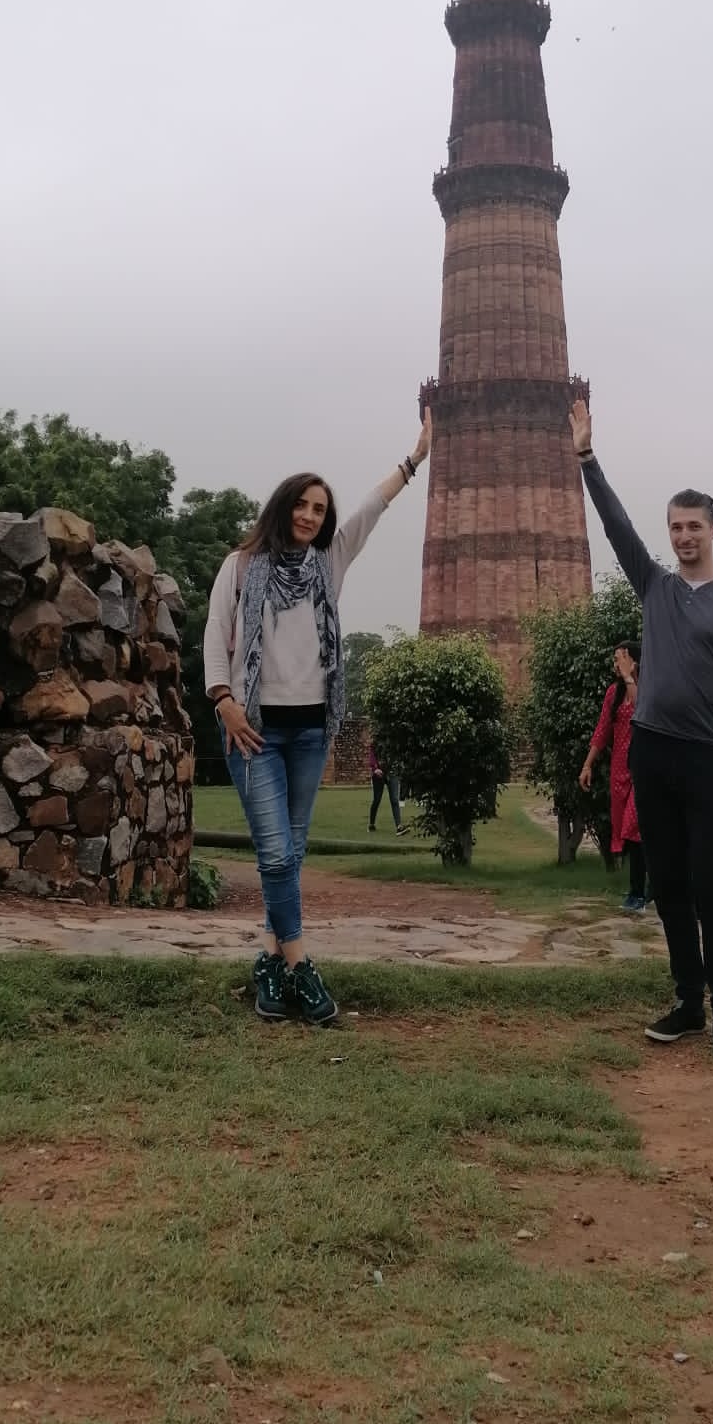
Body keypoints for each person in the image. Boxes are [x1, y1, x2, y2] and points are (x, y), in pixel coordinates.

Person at [203, 412, 433, 1026]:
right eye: (302, 505)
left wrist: (413, 462)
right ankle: (303, 967)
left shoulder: (329, 562)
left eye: (318, 509)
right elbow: (213, 635)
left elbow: (369, 511)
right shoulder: (241, 566)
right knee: (276, 854)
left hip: (309, 731)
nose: (310, 516)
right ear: (283, 508)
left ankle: (269, 967)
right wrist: (223, 699)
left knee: (292, 851)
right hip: (252, 730)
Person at [569, 399, 713, 1063]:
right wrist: (587, 459)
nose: (683, 536)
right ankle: (687, 998)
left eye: (693, 526)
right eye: (675, 527)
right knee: (668, 886)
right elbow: (617, 526)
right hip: (652, 751)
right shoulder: (655, 588)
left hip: (711, 758)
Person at [579, 640, 647, 914]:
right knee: (630, 833)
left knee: (635, 826)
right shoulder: (613, 693)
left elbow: (642, 710)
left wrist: (631, 677)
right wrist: (587, 765)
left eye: (619, 658)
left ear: (633, 661)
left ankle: (638, 893)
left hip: (645, 768)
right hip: (620, 770)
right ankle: (641, 888)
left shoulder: (648, 688)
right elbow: (602, 730)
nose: (615, 665)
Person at [367, 738, 404, 836]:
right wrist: (375, 768)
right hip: (379, 773)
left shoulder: (396, 739)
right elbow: (372, 755)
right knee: (377, 800)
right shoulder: (376, 741)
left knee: (395, 800)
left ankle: (399, 826)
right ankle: (371, 824)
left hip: (392, 772)